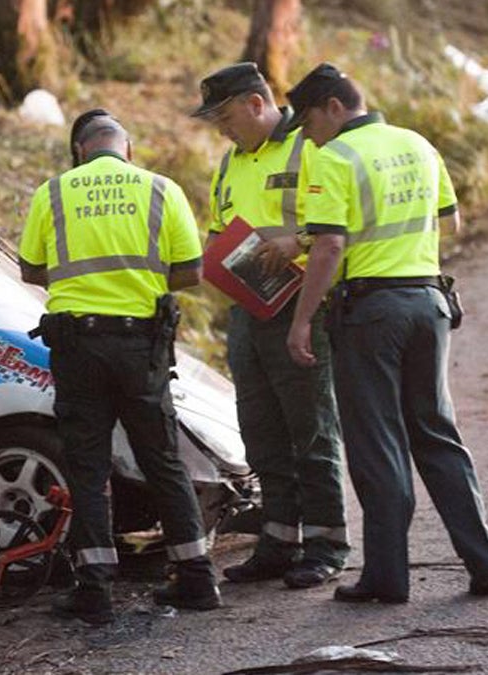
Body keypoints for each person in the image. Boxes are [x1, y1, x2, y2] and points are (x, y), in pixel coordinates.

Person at [284, 63, 488, 603]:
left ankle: (386, 577)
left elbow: (330, 246)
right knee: (435, 432)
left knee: (377, 443)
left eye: (309, 121)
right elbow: (448, 220)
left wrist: (302, 319)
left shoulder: (336, 157)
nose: (308, 134)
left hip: (372, 313)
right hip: (429, 302)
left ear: (334, 107)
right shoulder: (418, 143)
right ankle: (485, 561)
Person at [19, 109, 221, 624]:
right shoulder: (161, 190)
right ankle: (197, 578)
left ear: (80, 151)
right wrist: (137, 282)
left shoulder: (55, 192)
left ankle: (96, 590)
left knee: (88, 467)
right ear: (126, 149)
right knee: (163, 460)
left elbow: (29, 268)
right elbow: (192, 272)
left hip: (79, 346)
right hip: (141, 347)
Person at [191, 63, 349, 589]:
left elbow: (338, 225)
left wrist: (298, 242)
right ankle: (280, 541)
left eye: (225, 116)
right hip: (247, 312)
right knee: (260, 430)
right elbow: (219, 231)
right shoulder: (229, 163)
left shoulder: (310, 148)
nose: (221, 128)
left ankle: (327, 543)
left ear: (256, 103)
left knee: (310, 428)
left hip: (302, 308)